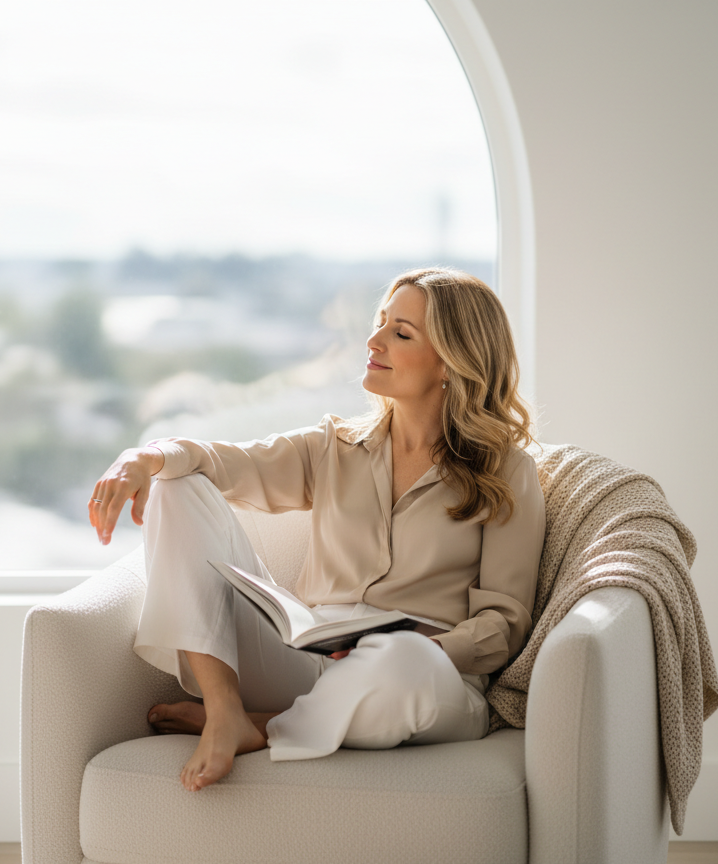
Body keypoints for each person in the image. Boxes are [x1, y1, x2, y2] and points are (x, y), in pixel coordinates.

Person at [88, 267, 545, 792]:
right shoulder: (334, 447)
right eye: (381, 323)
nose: (373, 341)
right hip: (306, 659)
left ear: (450, 362)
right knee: (178, 484)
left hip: (421, 675)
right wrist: (144, 458)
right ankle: (225, 707)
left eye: (401, 333)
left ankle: (267, 727)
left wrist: (434, 645)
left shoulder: (506, 472)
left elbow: (504, 623)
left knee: (402, 662)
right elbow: (223, 462)